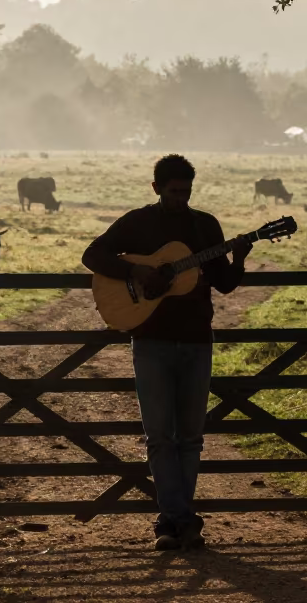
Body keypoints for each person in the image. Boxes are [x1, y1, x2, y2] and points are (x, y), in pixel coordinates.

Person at [81, 154, 252, 551]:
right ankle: (178, 521)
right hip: (151, 340)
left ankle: (174, 520)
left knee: (190, 437)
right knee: (159, 437)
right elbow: (93, 255)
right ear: (156, 187)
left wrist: (240, 255)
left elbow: (224, 283)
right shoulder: (138, 222)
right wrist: (136, 272)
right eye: (174, 191)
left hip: (196, 339)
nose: (181, 198)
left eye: (187, 192)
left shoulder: (204, 224)